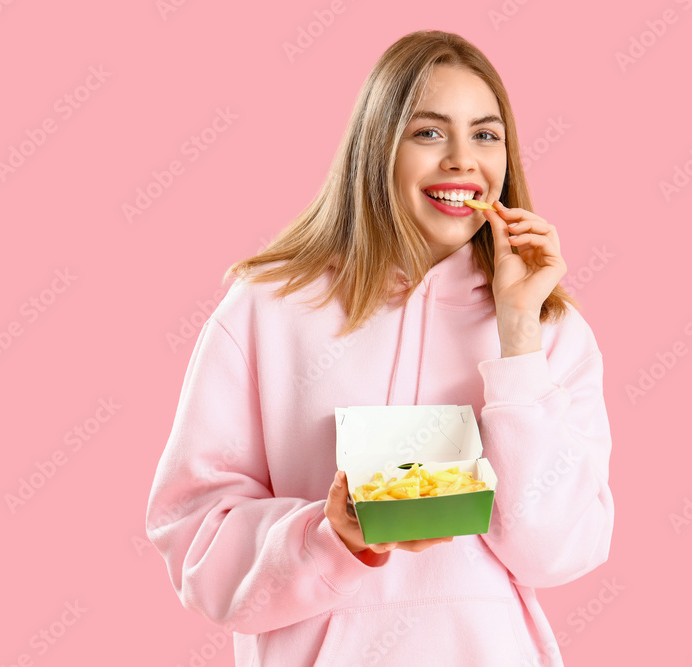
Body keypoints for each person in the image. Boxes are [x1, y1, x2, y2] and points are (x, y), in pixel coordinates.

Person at [145, 29, 614, 667]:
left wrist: (518, 337)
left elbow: (556, 551)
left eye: (485, 134)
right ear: (378, 147)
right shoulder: (267, 309)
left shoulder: (551, 329)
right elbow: (196, 545)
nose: (461, 160)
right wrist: (329, 535)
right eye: (428, 132)